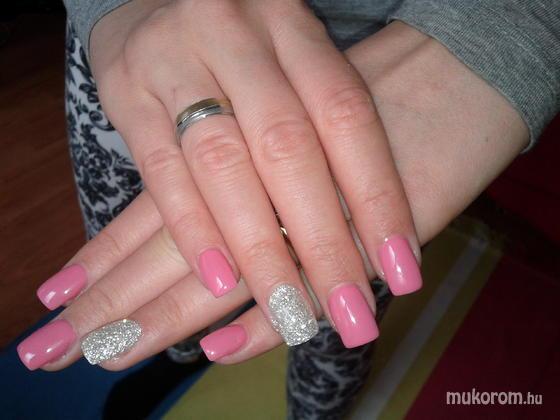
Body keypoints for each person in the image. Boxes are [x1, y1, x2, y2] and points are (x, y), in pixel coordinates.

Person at [17, 0, 559, 418]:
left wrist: (504, 28)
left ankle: (314, 410)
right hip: (149, 67)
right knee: (152, 277)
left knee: (331, 300)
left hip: (392, 72)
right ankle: (180, 358)